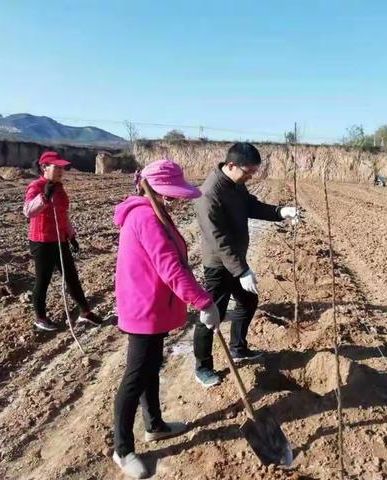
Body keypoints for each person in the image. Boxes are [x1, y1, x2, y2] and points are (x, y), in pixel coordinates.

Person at [112, 159, 220, 479]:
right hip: (144, 309)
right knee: (135, 377)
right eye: (171, 193)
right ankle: (122, 449)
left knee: (150, 369)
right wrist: (203, 302)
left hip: (154, 306)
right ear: (152, 189)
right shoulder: (146, 217)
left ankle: (154, 424)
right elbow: (171, 269)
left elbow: (177, 264)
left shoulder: (157, 212)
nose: (176, 199)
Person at [193, 142, 300, 387]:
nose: (250, 176)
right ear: (231, 165)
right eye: (248, 171)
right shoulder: (209, 194)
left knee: (248, 301)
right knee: (211, 315)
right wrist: (241, 270)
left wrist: (280, 211)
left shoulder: (235, 185)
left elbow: (251, 206)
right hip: (218, 265)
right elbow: (216, 239)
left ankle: (238, 348)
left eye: (253, 172)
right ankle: (202, 367)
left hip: (235, 261)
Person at [23, 151, 101, 331]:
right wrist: (43, 197)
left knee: (72, 277)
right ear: (44, 167)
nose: (60, 171)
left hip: (60, 239)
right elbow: (28, 211)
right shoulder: (36, 186)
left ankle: (85, 312)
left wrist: (71, 235)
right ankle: (40, 318)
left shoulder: (59, 187)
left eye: (61, 168)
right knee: (43, 280)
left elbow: (63, 214)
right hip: (42, 241)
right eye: (56, 167)